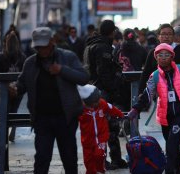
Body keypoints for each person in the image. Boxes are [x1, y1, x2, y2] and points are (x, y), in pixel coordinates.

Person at [9, 27, 89, 173]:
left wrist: (62, 70)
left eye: (44, 46)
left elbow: (84, 78)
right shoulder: (30, 62)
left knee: (69, 158)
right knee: (42, 158)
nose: (42, 50)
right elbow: (22, 83)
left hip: (66, 118)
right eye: (38, 47)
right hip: (42, 119)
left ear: (52, 42)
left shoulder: (67, 57)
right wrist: (15, 88)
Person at [128, 43, 180, 174]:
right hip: (165, 116)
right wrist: (136, 109)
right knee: (171, 143)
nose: (163, 58)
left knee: (171, 145)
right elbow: (147, 94)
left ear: (172, 57)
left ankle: (169, 170)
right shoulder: (155, 76)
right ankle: (179, 166)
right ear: (156, 58)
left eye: (167, 55)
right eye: (160, 55)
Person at [83, 20, 128, 170]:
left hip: (92, 90)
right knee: (106, 127)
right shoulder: (103, 47)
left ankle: (115, 158)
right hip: (103, 92)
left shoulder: (90, 45)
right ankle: (106, 160)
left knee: (104, 127)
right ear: (111, 31)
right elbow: (104, 73)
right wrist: (114, 86)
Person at [138, 24, 180, 96]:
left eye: (169, 34)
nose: (166, 37)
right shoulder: (153, 52)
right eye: (163, 34)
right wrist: (141, 92)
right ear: (158, 36)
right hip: (159, 94)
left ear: (174, 36)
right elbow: (146, 73)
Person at [77, 84, 124, 174]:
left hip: (101, 137)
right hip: (87, 139)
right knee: (88, 159)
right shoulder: (81, 110)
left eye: (98, 99)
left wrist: (120, 114)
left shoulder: (102, 104)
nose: (97, 102)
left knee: (99, 155)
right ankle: (91, 171)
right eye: (95, 102)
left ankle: (100, 170)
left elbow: (112, 108)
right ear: (86, 103)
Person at [0, 32, 26, 142]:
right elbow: (24, 75)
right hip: (18, 89)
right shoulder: (22, 57)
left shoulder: (1, 57)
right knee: (14, 110)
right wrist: (16, 86)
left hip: (4, 88)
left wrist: (7, 85)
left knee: (5, 111)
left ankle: (5, 131)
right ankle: (13, 131)